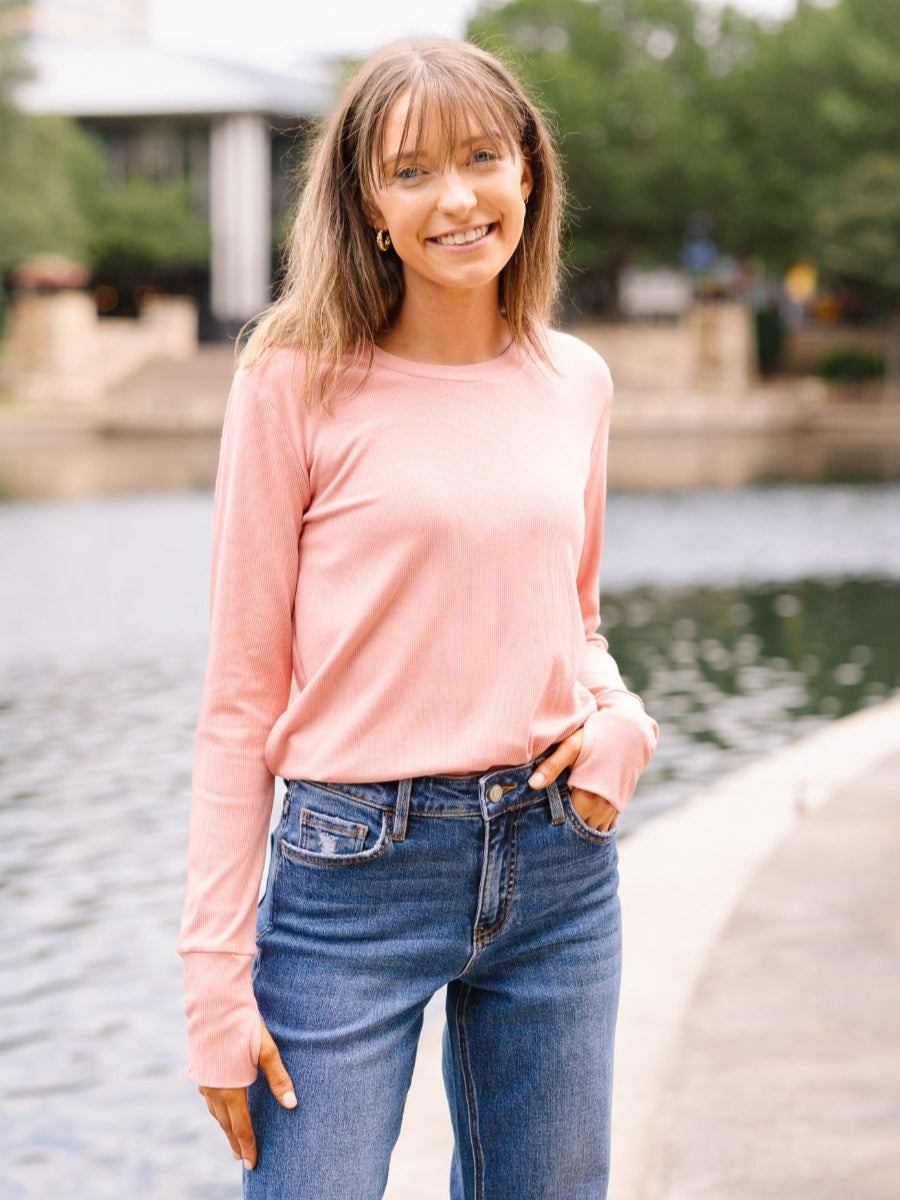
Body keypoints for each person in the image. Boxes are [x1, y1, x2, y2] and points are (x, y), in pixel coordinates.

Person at [178, 37, 658, 1200]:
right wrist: (212, 980)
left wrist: (624, 724)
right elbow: (243, 695)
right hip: (353, 877)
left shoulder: (574, 380)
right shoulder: (294, 377)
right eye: (412, 172)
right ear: (367, 204)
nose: (457, 197)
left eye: (484, 157)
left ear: (529, 175)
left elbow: (573, 616)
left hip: (556, 865)